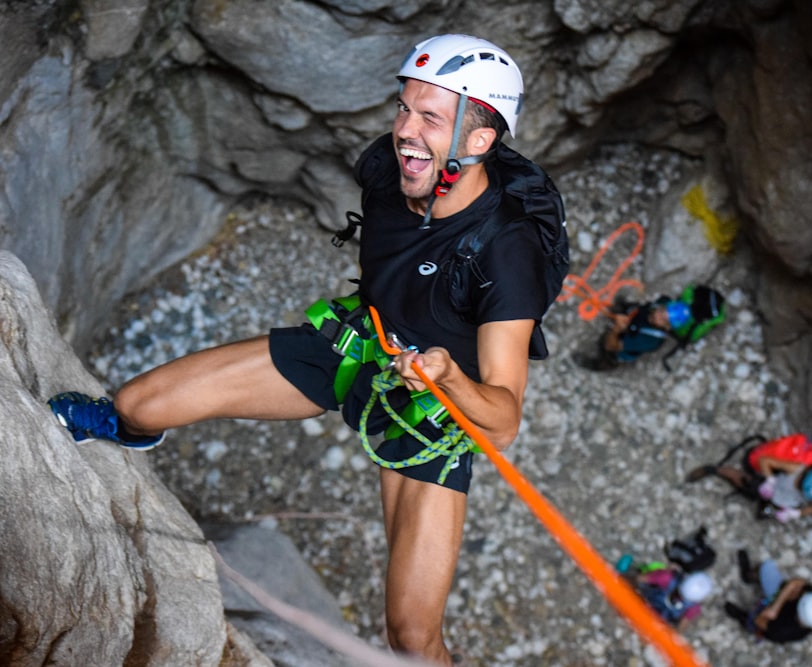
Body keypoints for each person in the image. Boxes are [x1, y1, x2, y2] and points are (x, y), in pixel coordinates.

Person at [47, 34, 562, 666]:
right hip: (356, 346)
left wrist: (448, 375)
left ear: (479, 142)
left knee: (411, 637)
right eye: (404, 108)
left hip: (430, 410)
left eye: (430, 118)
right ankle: (123, 427)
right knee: (137, 405)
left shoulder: (507, 253)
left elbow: (504, 421)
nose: (404, 130)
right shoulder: (388, 168)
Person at [684, 433, 812, 522]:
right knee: (742, 480)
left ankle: (764, 509)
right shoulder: (796, 469)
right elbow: (764, 461)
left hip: (780, 502)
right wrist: (770, 480)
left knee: (764, 514)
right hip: (771, 486)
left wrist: (795, 513)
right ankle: (714, 470)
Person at [724, 550, 812, 643]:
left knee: (753, 622)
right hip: (778, 604)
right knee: (767, 567)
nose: (800, 593)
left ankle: (743, 618)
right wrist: (775, 607)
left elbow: (759, 621)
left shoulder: (783, 630)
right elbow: (796, 583)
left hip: (769, 623)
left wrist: (768, 612)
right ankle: (749, 576)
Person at [574, 296, 692, 371]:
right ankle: (620, 308)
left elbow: (611, 346)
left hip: (621, 345)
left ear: (667, 327)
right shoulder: (664, 302)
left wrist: (616, 329)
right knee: (627, 309)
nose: (657, 315)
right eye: (661, 311)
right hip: (633, 320)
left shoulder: (650, 341)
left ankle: (594, 364)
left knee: (608, 354)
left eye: (662, 319)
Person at [615, 556, 713, 631]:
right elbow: (681, 626)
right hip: (657, 620)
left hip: (644, 600)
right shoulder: (693, 608)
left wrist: (622, 579)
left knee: (644, 573)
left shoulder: (667, 577)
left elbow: (639, 579)